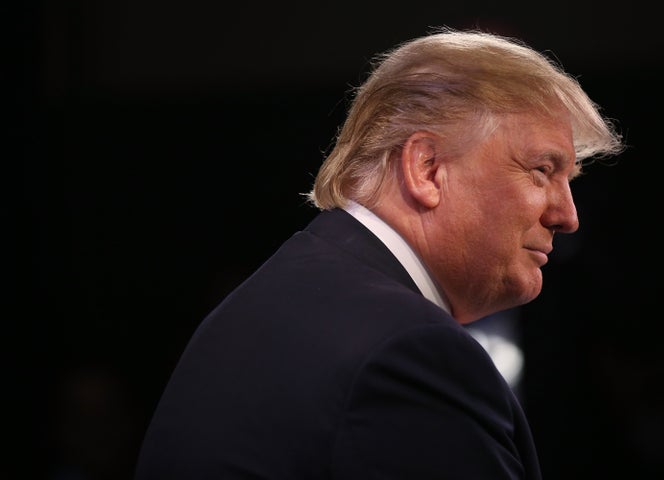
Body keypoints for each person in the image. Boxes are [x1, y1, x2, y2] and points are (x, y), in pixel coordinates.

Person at [134, 27, 624, 479]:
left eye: (569, 181)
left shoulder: (287, 298)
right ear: (427, 169)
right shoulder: (410, 353)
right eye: (541, 170)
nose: (567, 215)